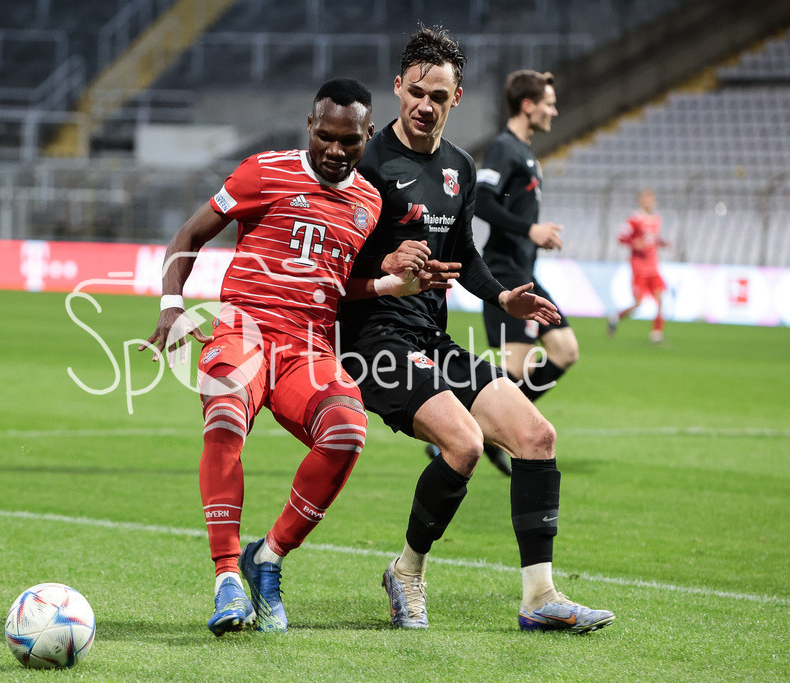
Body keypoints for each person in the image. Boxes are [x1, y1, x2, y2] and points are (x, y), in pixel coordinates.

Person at [337, 26, 615, 633]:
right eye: (415, 92)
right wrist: (383, 266)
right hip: (372, 341)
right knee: (463, 442)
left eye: (438, 96)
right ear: (397, 87)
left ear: (455, 98)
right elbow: (333, 264)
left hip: (432, 338)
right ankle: (407, 572)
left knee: (537, 435)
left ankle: (539, 598)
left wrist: (503, 296)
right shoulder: (365, 162)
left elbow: (466, 255)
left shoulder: (460, 166)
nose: (424, 106)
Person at [141, 78, 439, 637]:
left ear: (366, 135)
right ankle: (227, 577)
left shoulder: (368, 203)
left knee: (348, 431)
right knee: (226, 411)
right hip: (244, 331)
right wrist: (171, 305)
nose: (334, 149)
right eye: (324, 135)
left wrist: (385, 287)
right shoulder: (262, 172)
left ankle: (268, 558)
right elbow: (190, 233)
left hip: (309, 348)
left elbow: (338, 283)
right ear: (310, 125)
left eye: (348, 141)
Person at [458, 69, 577, 476]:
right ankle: (470, 435)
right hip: (506, 272)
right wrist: (530, 230)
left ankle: (481, 432)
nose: (554, 110)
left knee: (564, 350)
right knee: (517, 368)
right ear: (528, 106)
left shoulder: (526, 154)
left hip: (524, 270)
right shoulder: (505, 149)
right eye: (548, 102)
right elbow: (483, 204)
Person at [608, 188, 669, 343]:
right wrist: (634, 243)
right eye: (645, 199)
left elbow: (652, 239)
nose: (649, 202)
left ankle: (657, 334)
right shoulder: (634, 219)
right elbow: (621, 238)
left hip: (653, 267)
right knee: (638, 303)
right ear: (640, 201)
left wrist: (662, 243)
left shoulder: (657, 219)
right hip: (639, 267)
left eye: (651, 198)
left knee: (660, 299)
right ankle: (616, 317)